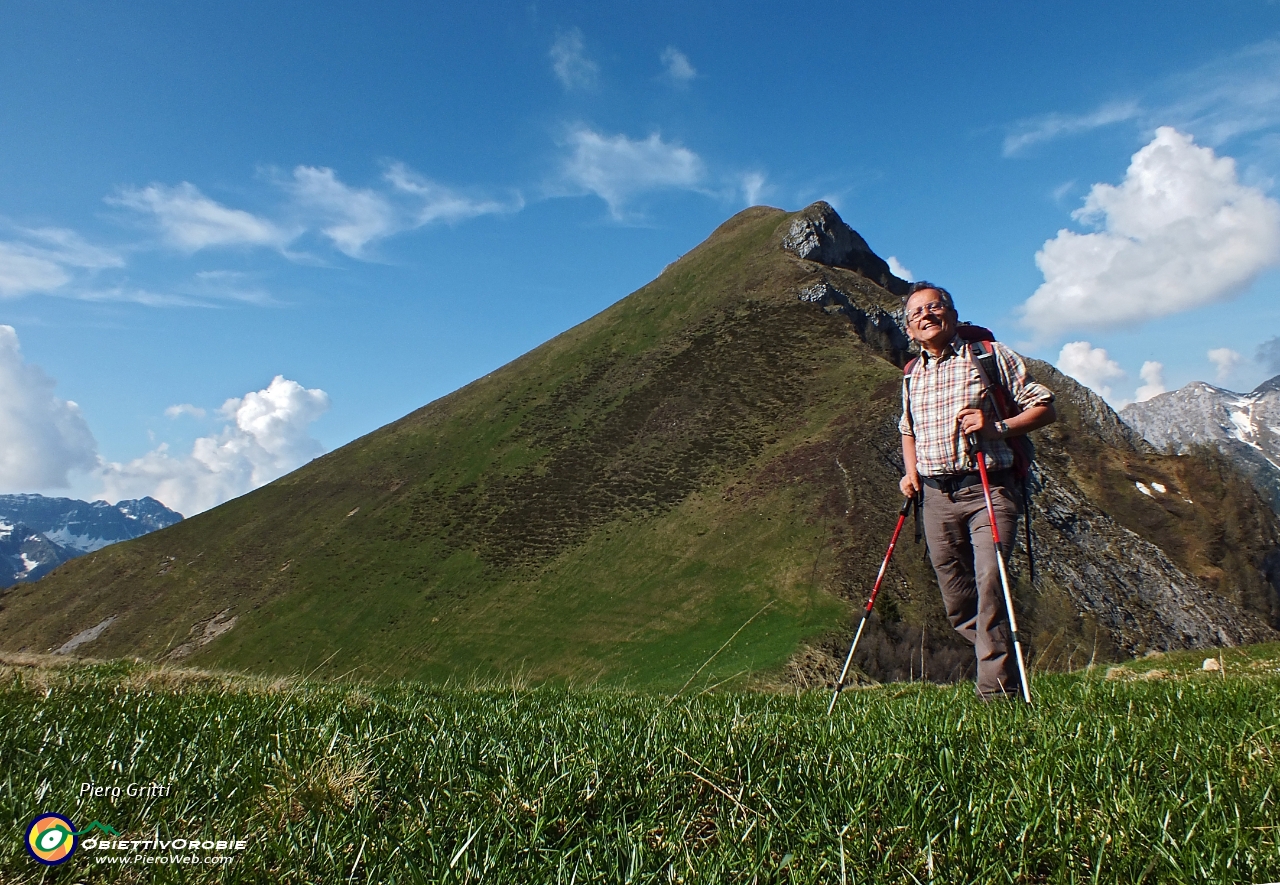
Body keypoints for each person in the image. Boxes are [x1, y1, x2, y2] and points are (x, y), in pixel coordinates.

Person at [897, 282, 1056, 699]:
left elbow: (1043, 405)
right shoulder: (912, 374)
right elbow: (907, 429)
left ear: (951, 312)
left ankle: (997, 696)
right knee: (959, 601)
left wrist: (997, 429)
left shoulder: (988, 355)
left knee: (990, 582)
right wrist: (910, 473)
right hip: (934, 496)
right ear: (910, 329)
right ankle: (1001, 661)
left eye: (934, 307)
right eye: (916, 313)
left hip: (989, 488)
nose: (926, 316)